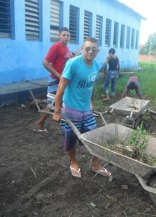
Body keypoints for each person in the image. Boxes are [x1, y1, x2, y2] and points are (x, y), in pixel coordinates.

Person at [53, 37, 111, 178]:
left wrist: (92, 103)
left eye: (94, 49)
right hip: (71, 109)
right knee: (71, 138)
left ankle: (95, 164)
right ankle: (73, 162)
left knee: (95, 138)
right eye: (87, 48)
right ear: (82, 49)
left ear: (98, 51)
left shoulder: (96, 66)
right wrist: (56, 110)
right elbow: (61, 86)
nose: (90, 51)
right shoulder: (73, 63)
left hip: (86, 110)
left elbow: (91, 86)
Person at [35, 27, 73, 131]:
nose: (66, 37)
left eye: (68, 35)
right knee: (51, 104)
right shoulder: (56, 46)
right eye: (64, 35)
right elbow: (45, 63)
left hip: (63, 81)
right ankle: (39, 122)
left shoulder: (67, 49)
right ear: (59, 35)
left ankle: (64, 125)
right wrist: (59, 76)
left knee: (61, 103)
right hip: (55, 81)